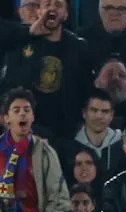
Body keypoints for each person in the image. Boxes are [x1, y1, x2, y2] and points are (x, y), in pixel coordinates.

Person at [0, 0, 91, 140]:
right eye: (47, 5)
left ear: (66, 14)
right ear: (39, 11)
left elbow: (84, 89)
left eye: (58, 5)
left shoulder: (78, 47)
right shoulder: (20, 41)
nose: (52, 8)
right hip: (25, 128)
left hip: (63, 132)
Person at [0, 88, 71, 212]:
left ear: (32, 116)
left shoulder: (46, 153)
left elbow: (59, 198)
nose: (22, 114)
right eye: (16, 110)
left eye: (27, 110)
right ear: (6, 118)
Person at [72, 89, 126, 179]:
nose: (99, 116)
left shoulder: (124, 144)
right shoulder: (70, 146)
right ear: (84, 113)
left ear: (112, 115)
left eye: (105, 111)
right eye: (94, 110)